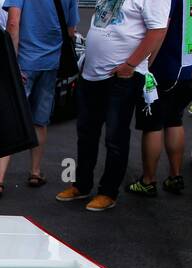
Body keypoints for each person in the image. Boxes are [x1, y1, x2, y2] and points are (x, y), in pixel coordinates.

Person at [56, 0, 169, 211]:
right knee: (86, 133)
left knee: (115, 137)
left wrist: (131, 65)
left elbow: (158, 30)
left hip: (121, 77)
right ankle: (82, 185)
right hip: (91, 73)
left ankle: (108, 192)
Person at [128, 0, 192, 197]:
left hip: (166, 67)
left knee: (153, 125)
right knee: (174, 118)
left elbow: (161, 26)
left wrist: (146, 64)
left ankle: (148, 180)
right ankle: (175, 176)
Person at [0, 0, 79, 196]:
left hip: (23, 62)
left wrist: (12, 62)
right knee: (40, 120)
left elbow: (13, 23)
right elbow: (71, 31)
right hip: (50, 63)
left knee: (10, 118)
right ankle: (35, 172)